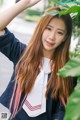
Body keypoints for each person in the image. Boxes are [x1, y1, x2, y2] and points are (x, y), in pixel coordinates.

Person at [0, 0, 77, 120]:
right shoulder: (22, 54)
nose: (52, 37)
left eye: (59, 33)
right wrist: (24, 4)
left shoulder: (68, 70)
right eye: (49, 28)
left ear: (65, 37)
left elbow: (62, 110)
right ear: (41, 28)